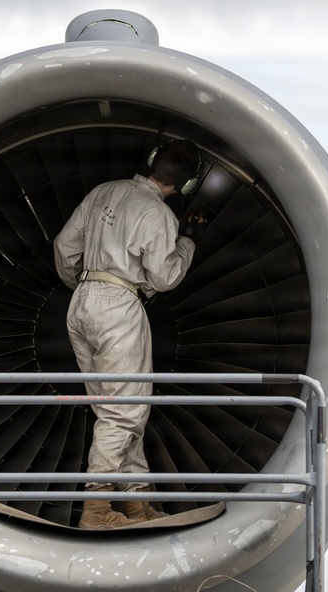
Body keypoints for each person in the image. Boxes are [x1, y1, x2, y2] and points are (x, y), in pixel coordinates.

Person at [53, 140, 205, 529]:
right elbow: (165, 277)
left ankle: (138, 502)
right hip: (119, 305)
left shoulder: (104, 192)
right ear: (185, 186)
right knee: (125, 411)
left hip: (82, 301)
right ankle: (96, 508)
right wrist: (186, 244)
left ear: (151, 160)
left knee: (116, 408)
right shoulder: (158, 214)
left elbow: (65, 245)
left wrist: (85, 285)